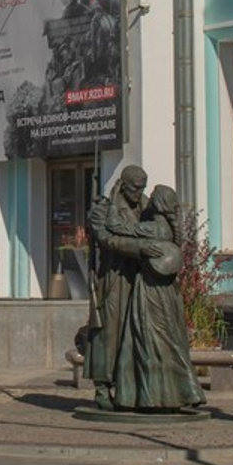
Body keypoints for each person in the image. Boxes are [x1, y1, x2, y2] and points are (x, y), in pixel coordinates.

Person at [95, 183, 205, 413]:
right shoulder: (168, 227)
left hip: (149, 291)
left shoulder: (152, 228)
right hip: (168, 293)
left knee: (145, 342)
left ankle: (146, 396)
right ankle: (181, 392)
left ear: (157, 203)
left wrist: (114, 197)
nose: (144, 197)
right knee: (170, 342)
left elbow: (114, 227)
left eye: (149, 194)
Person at [84, 164, 147, 410]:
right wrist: (141, 246)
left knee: (138, 333)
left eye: (142, 188)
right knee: (109, 334)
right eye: (135, 188)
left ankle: (132, 388)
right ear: (123, 184)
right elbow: (107, 239)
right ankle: (102, 387)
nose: (139, 193)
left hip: (141, 278)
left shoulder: (146, 205)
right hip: (114, 279)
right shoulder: (103, 210)